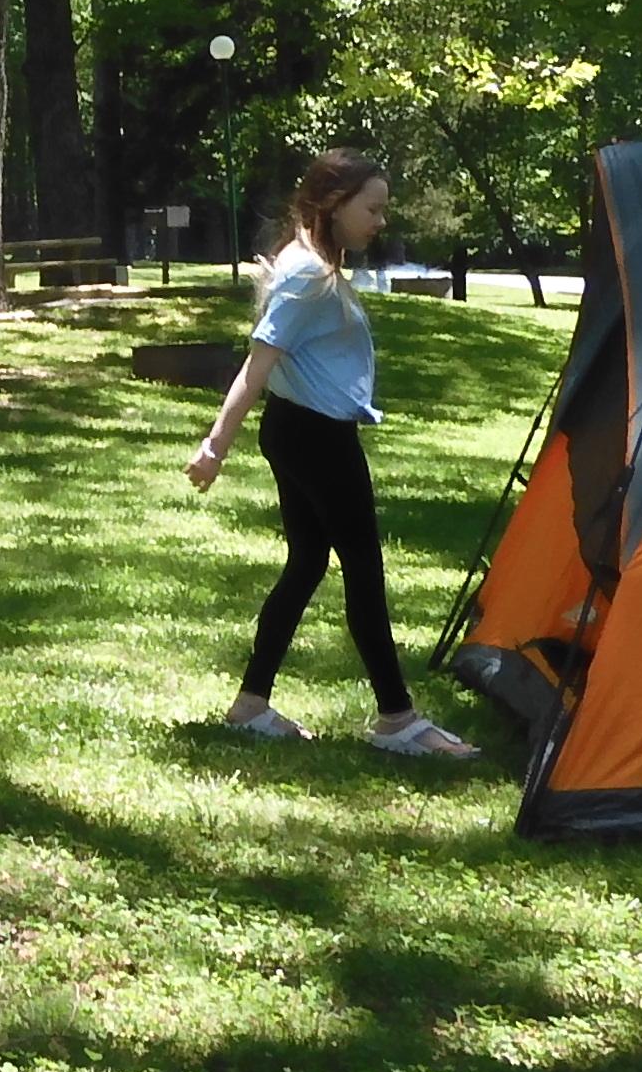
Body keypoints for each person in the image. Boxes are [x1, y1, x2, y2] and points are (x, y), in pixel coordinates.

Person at [184, 152, 477, 758]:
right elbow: (256, 366)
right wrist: (214, 446)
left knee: (308, 564)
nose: (379, 221)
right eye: (371, 208)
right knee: (363, 572)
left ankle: (250, 705)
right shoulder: (308, 276)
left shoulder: (311, 264)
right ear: (332, 204)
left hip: (300, 431)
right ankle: (398, 719)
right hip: (315, 438)